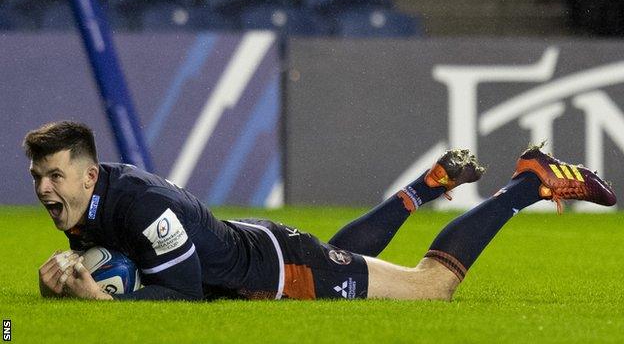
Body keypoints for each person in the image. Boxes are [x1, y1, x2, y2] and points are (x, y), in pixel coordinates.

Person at [26, 121, 616, 301]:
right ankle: (426, 186)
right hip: (257, 247)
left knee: (430, 288)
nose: (46, 189)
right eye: (37, 177)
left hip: (279, 270)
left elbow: (181, 294)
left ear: (88, 174)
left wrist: (99, 297)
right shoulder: (92, 200)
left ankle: (527, 183)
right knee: (346, 256)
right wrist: (64, 277)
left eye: (56, 175)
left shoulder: (143, 204)